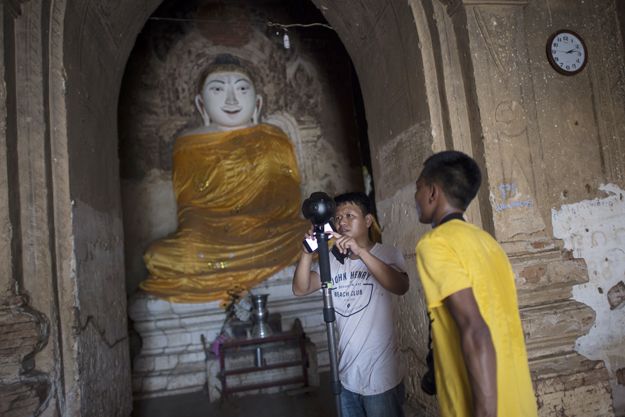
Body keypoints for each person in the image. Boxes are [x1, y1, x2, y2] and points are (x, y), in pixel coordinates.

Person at [140, 54, 310, 303]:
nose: (232, 99)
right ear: (201, 105)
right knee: (157, 256)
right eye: (218, 89)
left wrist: (254, 219)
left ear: (258, 103)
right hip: (211, 239)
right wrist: (217, 228)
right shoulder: (188, 144)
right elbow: (190, 208)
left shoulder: (272, 136)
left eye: (242, 89)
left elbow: (288, 197)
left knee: (315, 234)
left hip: (270, 231)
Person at [414, 151, 537, 417]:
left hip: (480, 405)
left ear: (433, 193)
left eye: (418, 188)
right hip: (517, 399)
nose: (416, 197)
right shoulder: (488, 243)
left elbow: (475, 329)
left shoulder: (435, 244)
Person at [293, 192, 410, 417]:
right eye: (337, 218)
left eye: (349, 215)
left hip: (381, 377)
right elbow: (300, 289)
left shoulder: (387, 254)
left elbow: (400, 286)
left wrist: (361, 253)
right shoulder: (334, 261)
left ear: (367, 220)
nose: (342, 222)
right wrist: (307, 253)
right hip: (346, 377)